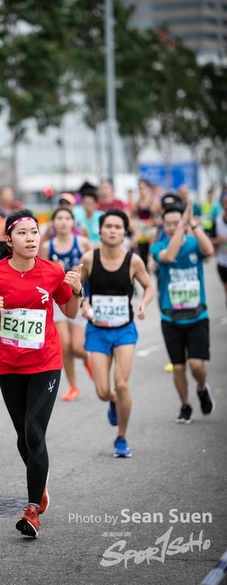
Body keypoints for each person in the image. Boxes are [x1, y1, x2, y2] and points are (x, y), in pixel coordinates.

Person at [0, 209, 83, 538]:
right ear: (9, 240)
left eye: (34, 232)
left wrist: (77, 291)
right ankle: (40, 484)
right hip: (9, 364)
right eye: (23, 233)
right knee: (23, 436)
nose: (31, 238)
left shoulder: (52, 271)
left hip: (46, 362)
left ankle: (32, 510)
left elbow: (69, 311)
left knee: (34, 432)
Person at [79, 209, 154, 458]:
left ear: (124, 232)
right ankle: (113, 400)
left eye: (118, 227)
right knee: (103, 391)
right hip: (98, 331)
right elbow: (76, 289)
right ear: (100, 231)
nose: (113, 231)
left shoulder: (133, 261)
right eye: (108, 226)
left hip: (124, 330)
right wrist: (83, 303)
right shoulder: (90, 259)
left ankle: (121, 437)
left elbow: (148, 286)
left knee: (121, 384)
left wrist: (144, 303)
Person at [150, 201, 215, 424]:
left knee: (196, 364)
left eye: (176, 222)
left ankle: (201, 388)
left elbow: (209, 250)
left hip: (197, 315)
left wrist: (193, 224)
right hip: (171, 318)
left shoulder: (194, 243)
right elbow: (169, 257)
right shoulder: (158, 247)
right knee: (178, 367)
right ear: (163, 225)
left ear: (184, 223)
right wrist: (181, 227)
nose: (172, 227)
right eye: (168, 224)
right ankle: (185, 405)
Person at [40, 207, 93, 401]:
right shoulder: (47, 247)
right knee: (65, 346)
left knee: (78, 347)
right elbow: (41, 277)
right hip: (57, 302)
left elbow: (93, 272)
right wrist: (55, 271)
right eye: (59, 218)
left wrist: (87, 300)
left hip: (79, 298)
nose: (63, 222)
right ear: (53, 223)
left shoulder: (83, 243)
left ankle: (87, 359)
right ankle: (73, 387)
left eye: (67, 218)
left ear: (73, 223)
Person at [131, 179, 160, 268]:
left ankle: (150, 257)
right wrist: (134, 227)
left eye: (143, 188)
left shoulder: (154, 203)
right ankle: (137, 261)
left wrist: (152, 222)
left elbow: (162, 216)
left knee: (153, 233)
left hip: (150, 229)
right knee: (134, 239)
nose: (141, 190)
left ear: (148, 189)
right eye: (139, 188)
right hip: (140, 229)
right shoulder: (136, 204)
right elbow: (130, 217)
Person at [210, 192, 227, 307]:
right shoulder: (217, 221)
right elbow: (209, 240)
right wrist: (218, 240)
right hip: (223, 261)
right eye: (224, 203)